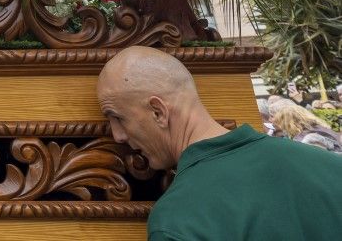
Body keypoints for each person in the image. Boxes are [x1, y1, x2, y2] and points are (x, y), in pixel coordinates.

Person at [97, 45, 342, 238]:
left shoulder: (178, 219)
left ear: (158, 112)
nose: (117, 135)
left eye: (118, 118)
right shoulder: (332, 168)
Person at [265, 95, 342, 153]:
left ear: (284, 118)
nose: (270, 120)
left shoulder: (310, 138)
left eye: (272, 116)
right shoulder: (316, 129)